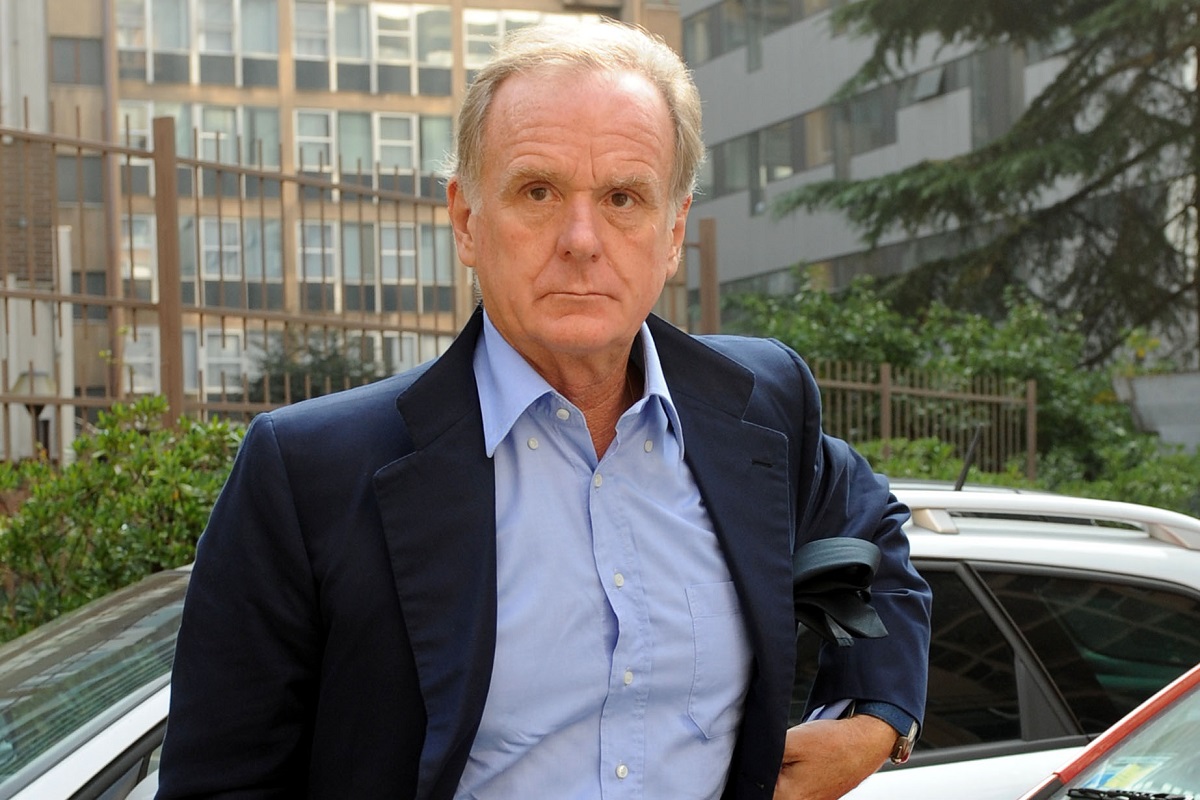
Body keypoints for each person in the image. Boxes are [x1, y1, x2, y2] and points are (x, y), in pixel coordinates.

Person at [156, 20, 931, 800]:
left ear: (673, 232)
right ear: (466, 219)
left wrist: (877, 718)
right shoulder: (310, 473)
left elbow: (872, 535)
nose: (581, 239)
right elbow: (221, 783)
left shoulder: (763, 403)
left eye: (623, 197)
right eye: (538, 191)